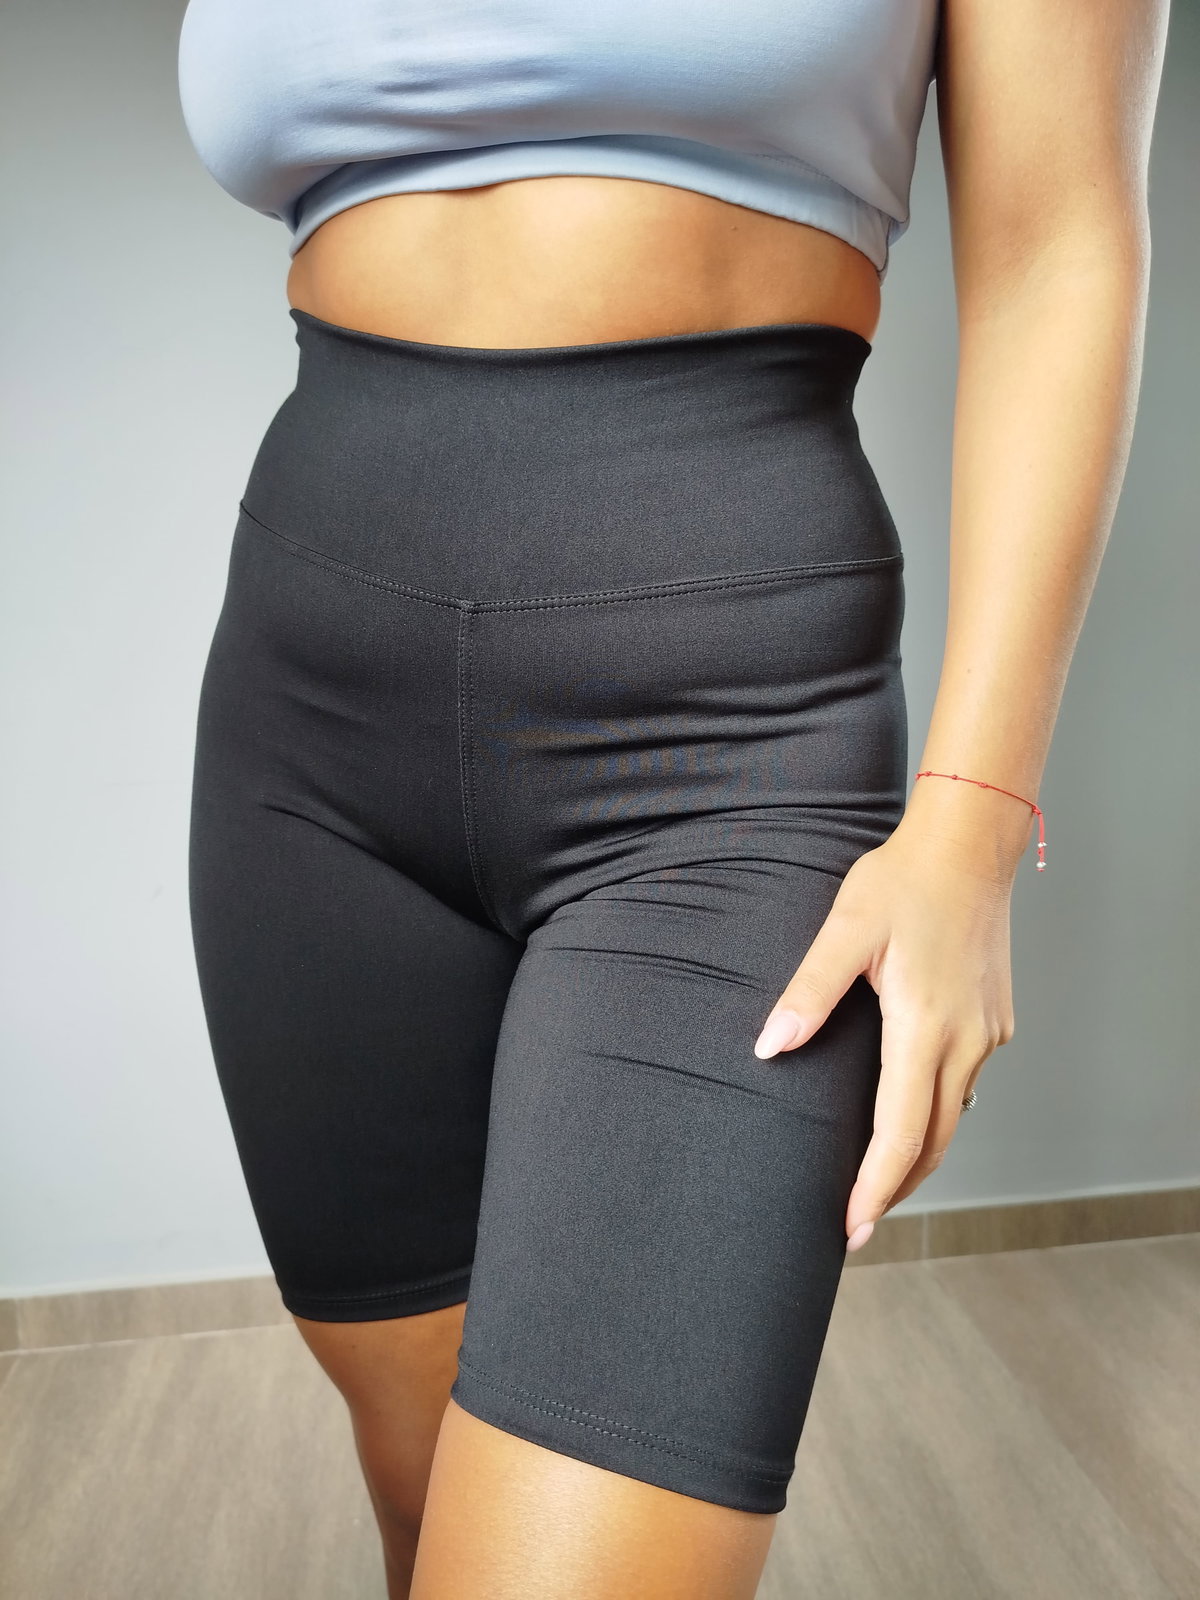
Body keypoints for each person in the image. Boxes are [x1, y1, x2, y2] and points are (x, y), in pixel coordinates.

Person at [176, 2, 1169, 1595]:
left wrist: (973, 824)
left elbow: (1060, 248)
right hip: (309, 747)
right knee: (425, 1513)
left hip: (723, 756)